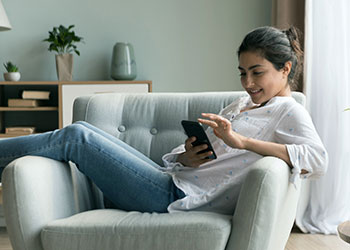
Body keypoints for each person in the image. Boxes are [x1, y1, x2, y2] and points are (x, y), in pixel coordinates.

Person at [0, 26, 328, 215]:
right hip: (167, 176)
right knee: (85, 129)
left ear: (285, 68)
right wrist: (186, 155)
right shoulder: (242, 104)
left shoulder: (289, 110)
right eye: (243, 73)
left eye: (257, 73)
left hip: (173, 197)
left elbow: (318, 160)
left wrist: (242, 142)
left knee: (76, 137)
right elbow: (179, 161)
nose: (247, 82)